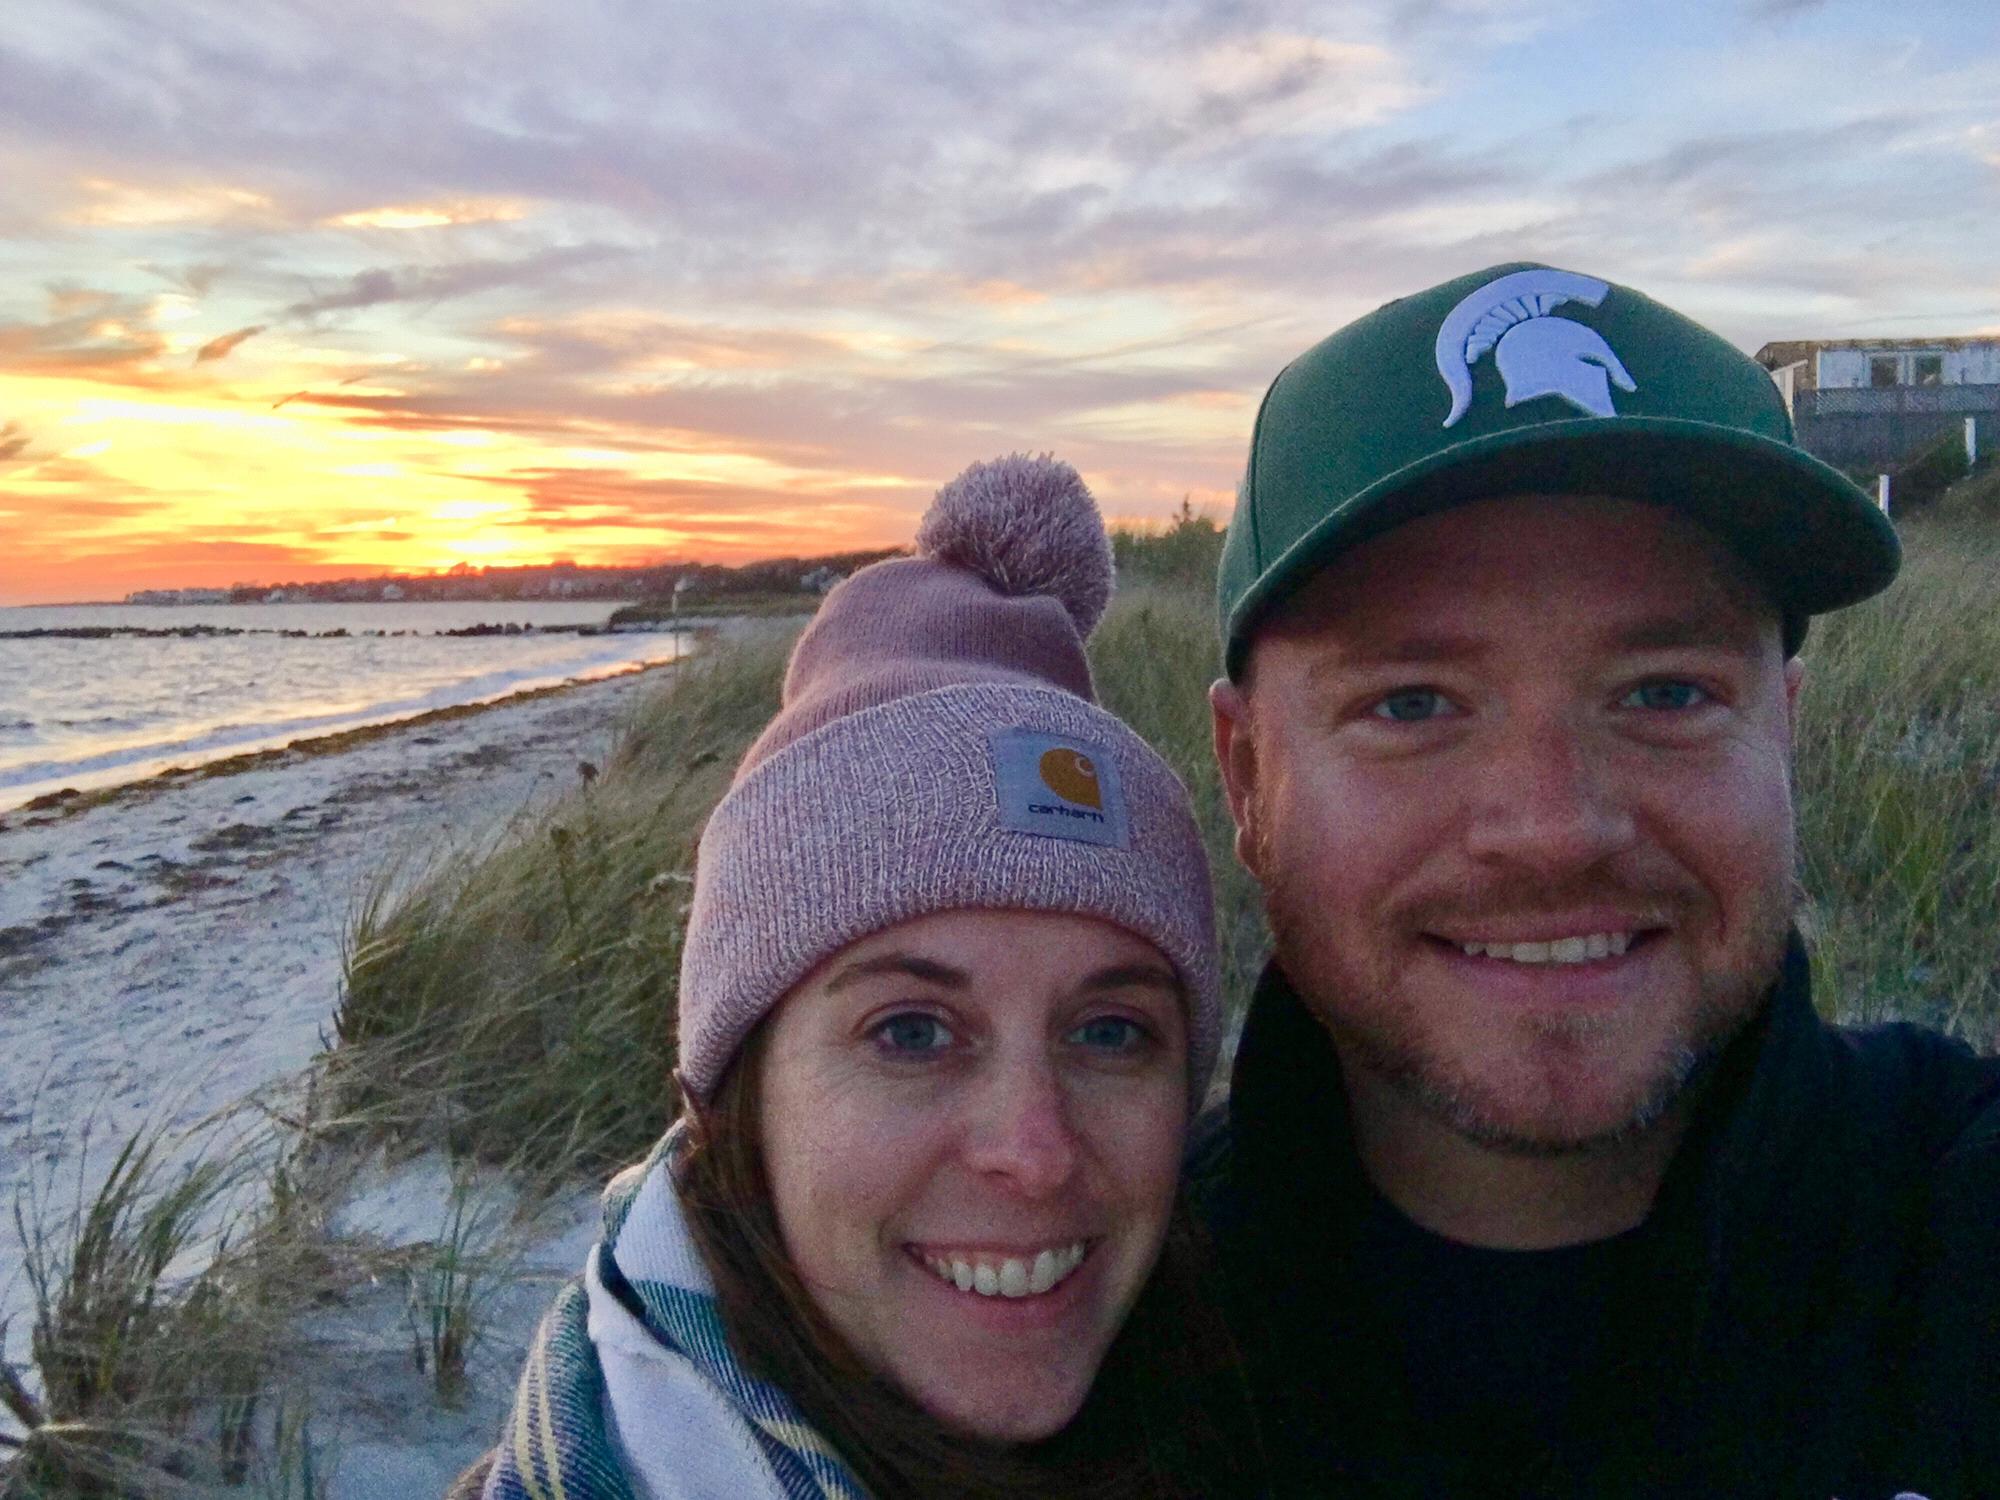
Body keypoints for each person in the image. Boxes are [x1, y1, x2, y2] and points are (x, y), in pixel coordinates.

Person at [1194, 263, 2000, 1500]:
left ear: (1780, 730)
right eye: (1410, 704)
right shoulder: (1075, 1342)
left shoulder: (1959, 1226)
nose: (1555, 828)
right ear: (1247, 778)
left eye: (1664, 692)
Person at [457, 454, 1258, 1500]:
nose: (1033, 1152)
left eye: (1109, 1033)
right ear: (733, 1098)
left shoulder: (1277, 1411)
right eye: (911, 1032)